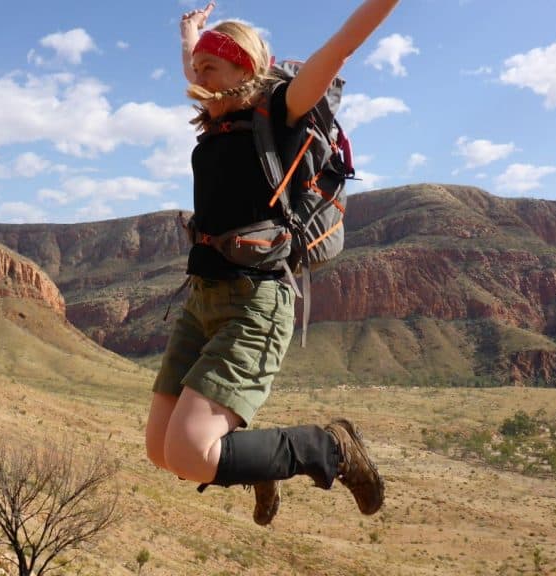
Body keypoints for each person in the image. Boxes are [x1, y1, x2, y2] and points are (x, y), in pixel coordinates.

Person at [145, 0, 399, 526]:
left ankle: (328, 446)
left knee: (193, 454)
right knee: (161, 451)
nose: (197, 71)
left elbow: (340, 48)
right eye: (197, 66)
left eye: (211, 64)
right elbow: (199, 61)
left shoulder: (282, 112)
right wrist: (189, 32)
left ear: (246, 69)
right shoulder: (215, 125)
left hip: (254, 303)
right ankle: (255, 460)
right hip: (202, 301)